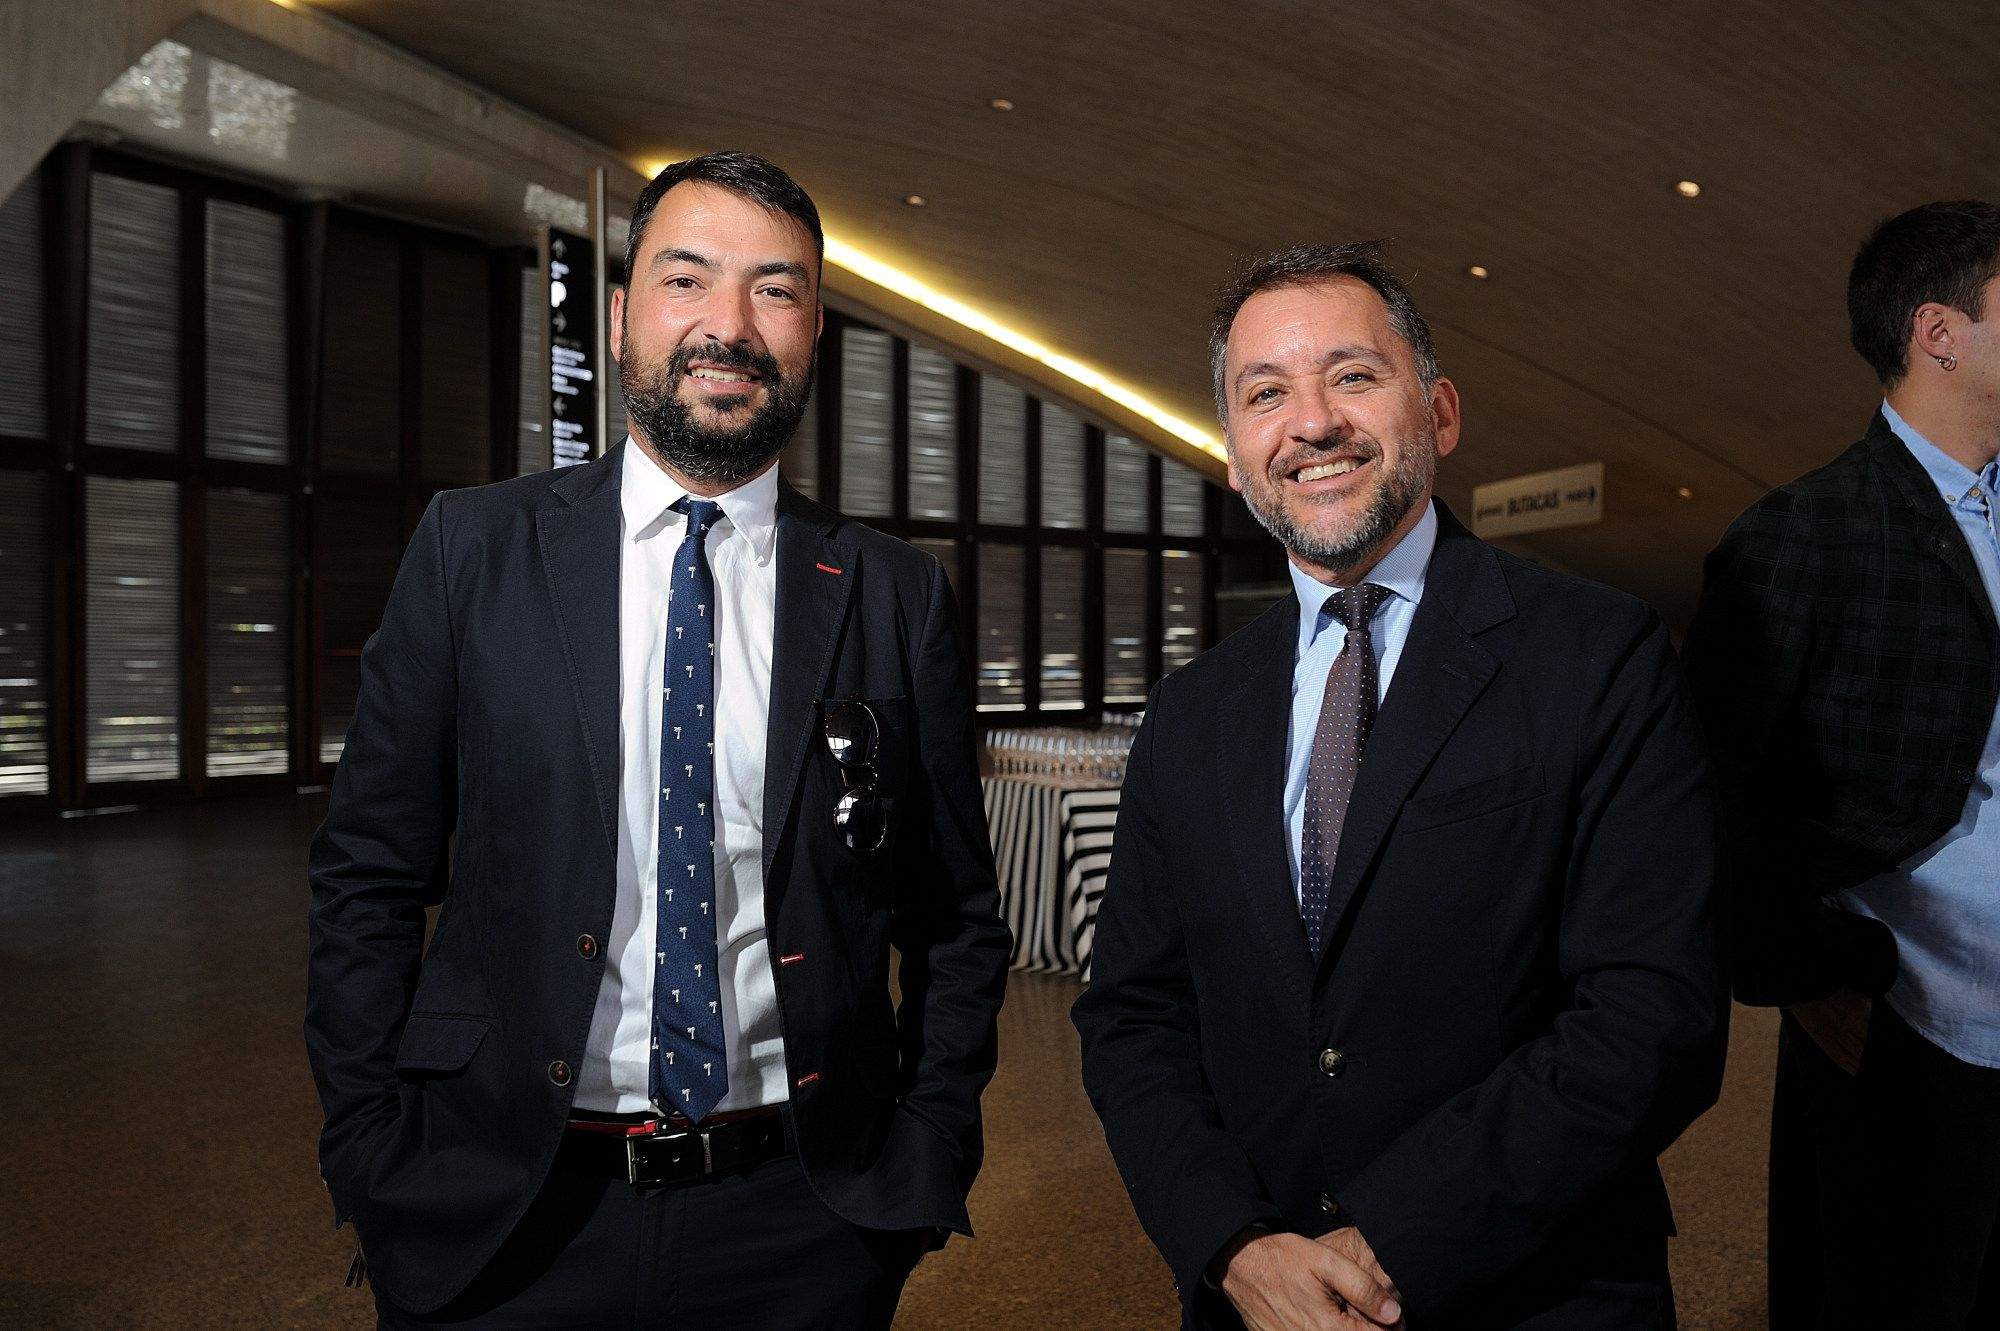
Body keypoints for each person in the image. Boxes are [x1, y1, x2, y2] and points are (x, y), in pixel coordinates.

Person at [304, 151, 1010, 1328]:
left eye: (773, 290)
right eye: (688, 279)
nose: (727, 325)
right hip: (502, 1214)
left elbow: (954, 916)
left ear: (812, 331)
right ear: (626, 314)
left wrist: (922, 1154)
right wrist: (373, 1150)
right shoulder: (472, 551)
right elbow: (367, 875)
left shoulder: (891, 593)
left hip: (801, 1224)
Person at [1073, 242, 1726, 1330]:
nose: (1312, 421)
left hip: (1534, 1288)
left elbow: (1650, 1009)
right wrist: (1230, 1244)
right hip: (1259, 1299)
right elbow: (1133, 1013)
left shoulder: (1594, 655)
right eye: (1264, 393)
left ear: (1441, 411)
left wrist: (1388, 1238)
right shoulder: (1192, 711)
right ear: (1233, 454)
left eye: (1353, 375)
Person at [1682, 200, 2000, 1330]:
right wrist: (1813, 975)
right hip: (1909, 1020)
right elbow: (1718, 795)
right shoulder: (1800, 533)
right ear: (1938, 330)